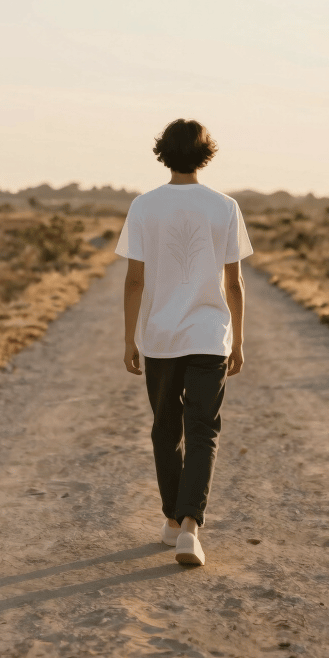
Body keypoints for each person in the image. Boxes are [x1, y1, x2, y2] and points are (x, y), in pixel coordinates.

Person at [114, 118, 253, 566]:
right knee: (202, 431)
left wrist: (130, 338)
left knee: (165, 429)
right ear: (205, 154)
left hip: (160, 335)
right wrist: (239, 341)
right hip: (211, 334)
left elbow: (134, 280)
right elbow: (235, 284)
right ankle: (189, 527)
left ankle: (174, 521)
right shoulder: (225, 207)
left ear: (163, 153)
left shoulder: (143, 206)